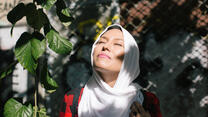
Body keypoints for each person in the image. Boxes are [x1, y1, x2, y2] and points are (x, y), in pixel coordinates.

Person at [59, 24, 162, 117]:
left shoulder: (147, 102)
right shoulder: (73, 99)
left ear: (130, 57)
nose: (105, 46)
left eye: (117, 44)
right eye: (101, 41)